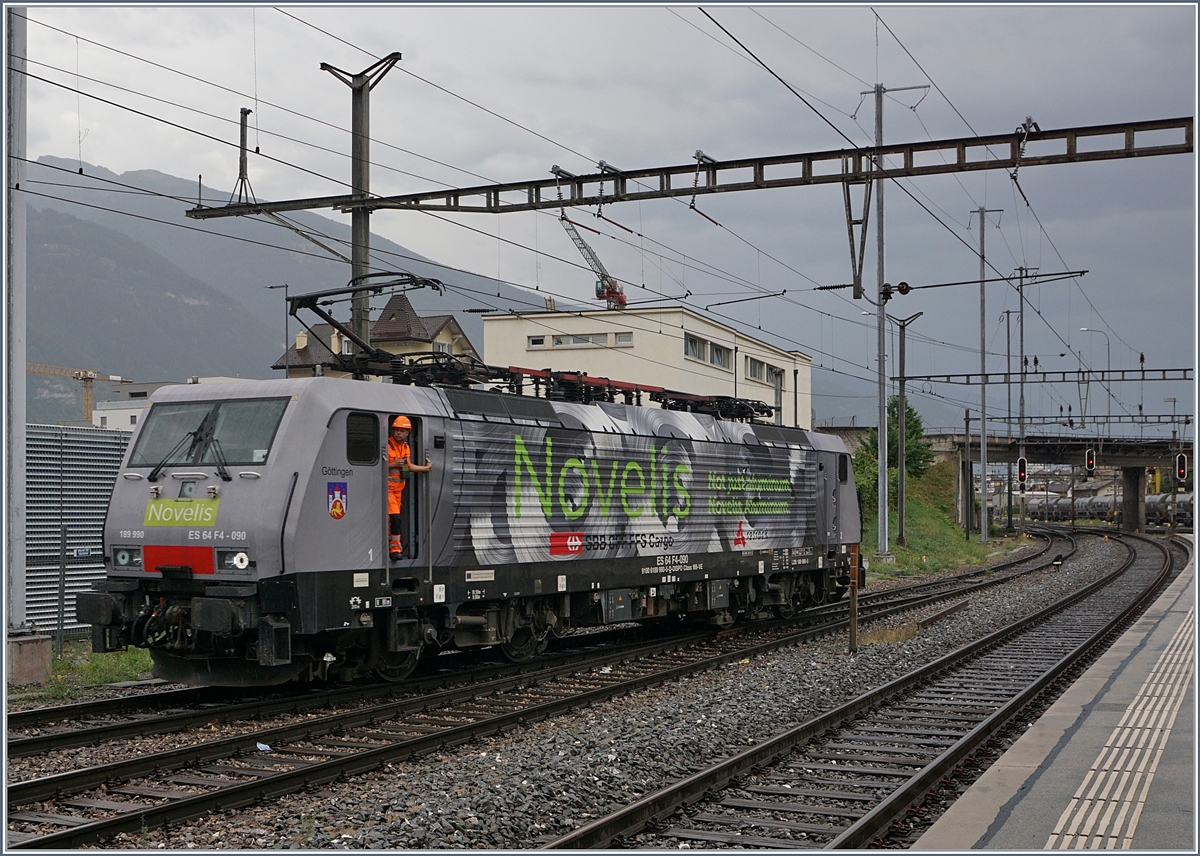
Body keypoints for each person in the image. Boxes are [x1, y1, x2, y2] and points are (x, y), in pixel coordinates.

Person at [388, 415, 433, 560]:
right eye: (397, 430)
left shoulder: (406, 447)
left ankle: (395, 548)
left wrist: (425, 469)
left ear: (408, 433)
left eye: (402, 431)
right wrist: (393, 465)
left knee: (395, 519)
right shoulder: (387, 445)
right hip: (388, 489)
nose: (399, 433)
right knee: (395, 519)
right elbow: (379, 466)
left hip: (399, 490)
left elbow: (408, 466)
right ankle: (394, 550)